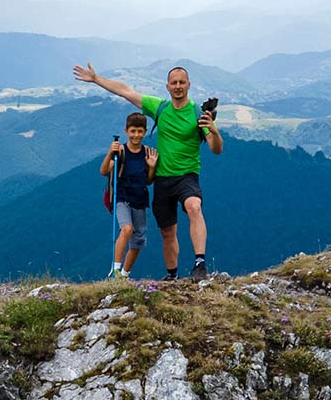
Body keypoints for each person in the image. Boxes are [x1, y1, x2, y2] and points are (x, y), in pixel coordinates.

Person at [73, 63, 224, 279]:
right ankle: (172, 275)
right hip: (162, 178)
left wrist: (215, 131)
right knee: (167, 232)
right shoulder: (160, 108)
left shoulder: (199, 115)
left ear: (189, 85)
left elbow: (216, 149)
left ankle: (200, 262)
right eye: (174, 83)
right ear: (167, 86)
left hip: (187, 175)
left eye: (182, 82)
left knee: (194, 206)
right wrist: (96, 79)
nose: (178, 86)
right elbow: (127, 92)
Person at [101, 112, 158, 277]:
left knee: (138, 242)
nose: (136, 135)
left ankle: (124, 275)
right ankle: (116, 270)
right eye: (133, 131)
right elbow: (104, 171)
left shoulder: (147, 153)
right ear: (126, 131)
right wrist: (110, 153)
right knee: (126, 229)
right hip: (122, 198)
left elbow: (148, 181)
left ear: (145, 132)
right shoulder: (120, 152)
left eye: (140, 131)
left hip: (140, 200)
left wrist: (152, 167)